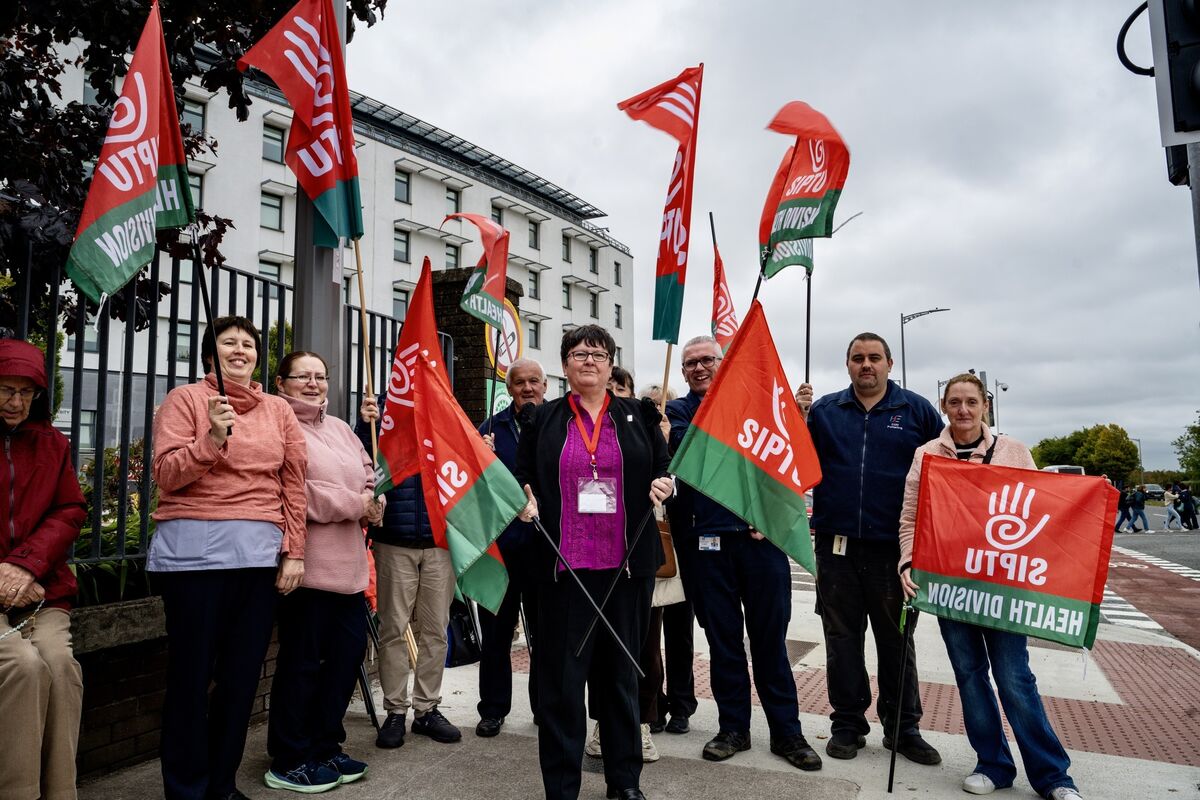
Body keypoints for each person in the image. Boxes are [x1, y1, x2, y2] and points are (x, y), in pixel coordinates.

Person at [898, 373, 1083, 800]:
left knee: (1014, 676)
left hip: (1003, 588)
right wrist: (908, 561)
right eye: (955, 402)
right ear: (943, 406)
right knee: (969, 674)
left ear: (985, 406)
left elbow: (1044, 509)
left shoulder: (1014, 451)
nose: (963, 410)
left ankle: (1053, 775)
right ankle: (993, 764)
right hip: (950, 584)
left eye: (971, 402)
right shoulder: (926, 454)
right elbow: (911, 517)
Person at [150, 316, 308, 800]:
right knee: (191, 677)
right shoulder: (186, 400)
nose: (239, 350)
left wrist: (294, 552)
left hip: (257, 560)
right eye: (228, 343)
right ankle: (185, 787)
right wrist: (211, 440)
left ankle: (221, 784)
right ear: (208, 353)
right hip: (193, 562)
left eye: (247, 344)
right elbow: (164, 474)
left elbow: (294, 483)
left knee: (240, 681)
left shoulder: (279, 410)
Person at [515, 324, 673, 800]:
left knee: (620, 679)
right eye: (579, 353)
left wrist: (666, 485)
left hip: (625, 570)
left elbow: (664, 471)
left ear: (610, 364)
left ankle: (624, 782)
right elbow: (520, 476)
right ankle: (561, 787)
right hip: (563, 570)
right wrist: (522, 496)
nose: (589, 361)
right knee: (562, 686)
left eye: (599, 354)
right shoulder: (541, 419)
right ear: (564, 365)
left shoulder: (639, 415)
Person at [667, 336, 821, 771]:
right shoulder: (678, 413)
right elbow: (689, 455)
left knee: (771, 642)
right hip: (707, 546)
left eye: (708, 361)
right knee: (724, 644)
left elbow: (784, 462)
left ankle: (787, 734)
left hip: (761, 544)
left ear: (725, 363)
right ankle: (733, 728)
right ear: (683, 373)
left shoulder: (761, 408)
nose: (699, 368)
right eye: (691, 363)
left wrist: (766, 508)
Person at [795, 332, 942, 766]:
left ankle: (902, 729)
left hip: (893, 553)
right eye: (858, 358)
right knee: (842, 640)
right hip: (836, 548)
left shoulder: (915, 411)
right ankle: (847, 723)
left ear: (889, 363)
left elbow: (946, 468)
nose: (866, 365)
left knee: (897, 641)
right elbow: (796, 460)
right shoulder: (825, 411)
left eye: (874, 358)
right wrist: (798, 417)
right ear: (847, 365)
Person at [265, 352, 383, 792]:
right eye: (303, 376)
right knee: (302, 666)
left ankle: (325, 747)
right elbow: (297, 491)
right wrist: (356, 503)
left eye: (320, 376)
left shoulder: (340, 429)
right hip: (306, 571)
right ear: (282, 382)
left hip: (350, 571)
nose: (313, 383)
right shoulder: (278, 424)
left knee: (343, 664)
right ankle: (289, 757)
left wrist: (376, 501)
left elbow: (369, 475)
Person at [0, 338, 87, 800]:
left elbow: (70, 510)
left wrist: (26, 567)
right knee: (22, 667)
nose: (16, 402)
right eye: (6, 390)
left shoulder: (53, 444)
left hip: (41, 590)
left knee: (59, 665)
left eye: (26, 392)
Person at [357, 398, 461, 749]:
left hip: (440, 541)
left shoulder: (446, 412)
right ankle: (396, 711)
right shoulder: (381, 416)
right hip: (393, 542)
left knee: (436, 630)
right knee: (392, 630)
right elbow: (364, 467)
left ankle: (427, 709)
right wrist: (363, 426)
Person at [475, 358, 546, 737]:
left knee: (544, 633)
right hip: (501, 551)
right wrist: (479, 457)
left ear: (545, 385)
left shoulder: (557, 422)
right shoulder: (489, 429)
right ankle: (492, 709)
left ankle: (544, 707)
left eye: (534, 380)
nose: (527, 388)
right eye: (519, 382)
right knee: (497, 635)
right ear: (510, 388)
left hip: (544, 547)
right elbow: (473, 486)